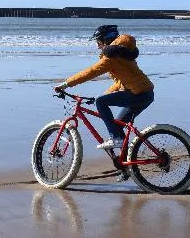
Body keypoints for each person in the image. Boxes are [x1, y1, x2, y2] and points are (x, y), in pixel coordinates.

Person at [54, 24, 155, 152]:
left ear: (105, 40)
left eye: (98, 42)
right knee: (116, 125)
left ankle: (117, 139)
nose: (97, 46)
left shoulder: (111, 57)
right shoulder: (122, 54)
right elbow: (120, 82)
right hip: (145, 93)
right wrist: (104, 94)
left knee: (101, 103)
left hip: (138, 94)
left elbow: (90, 72)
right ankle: (126, 165)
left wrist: (65, 84)